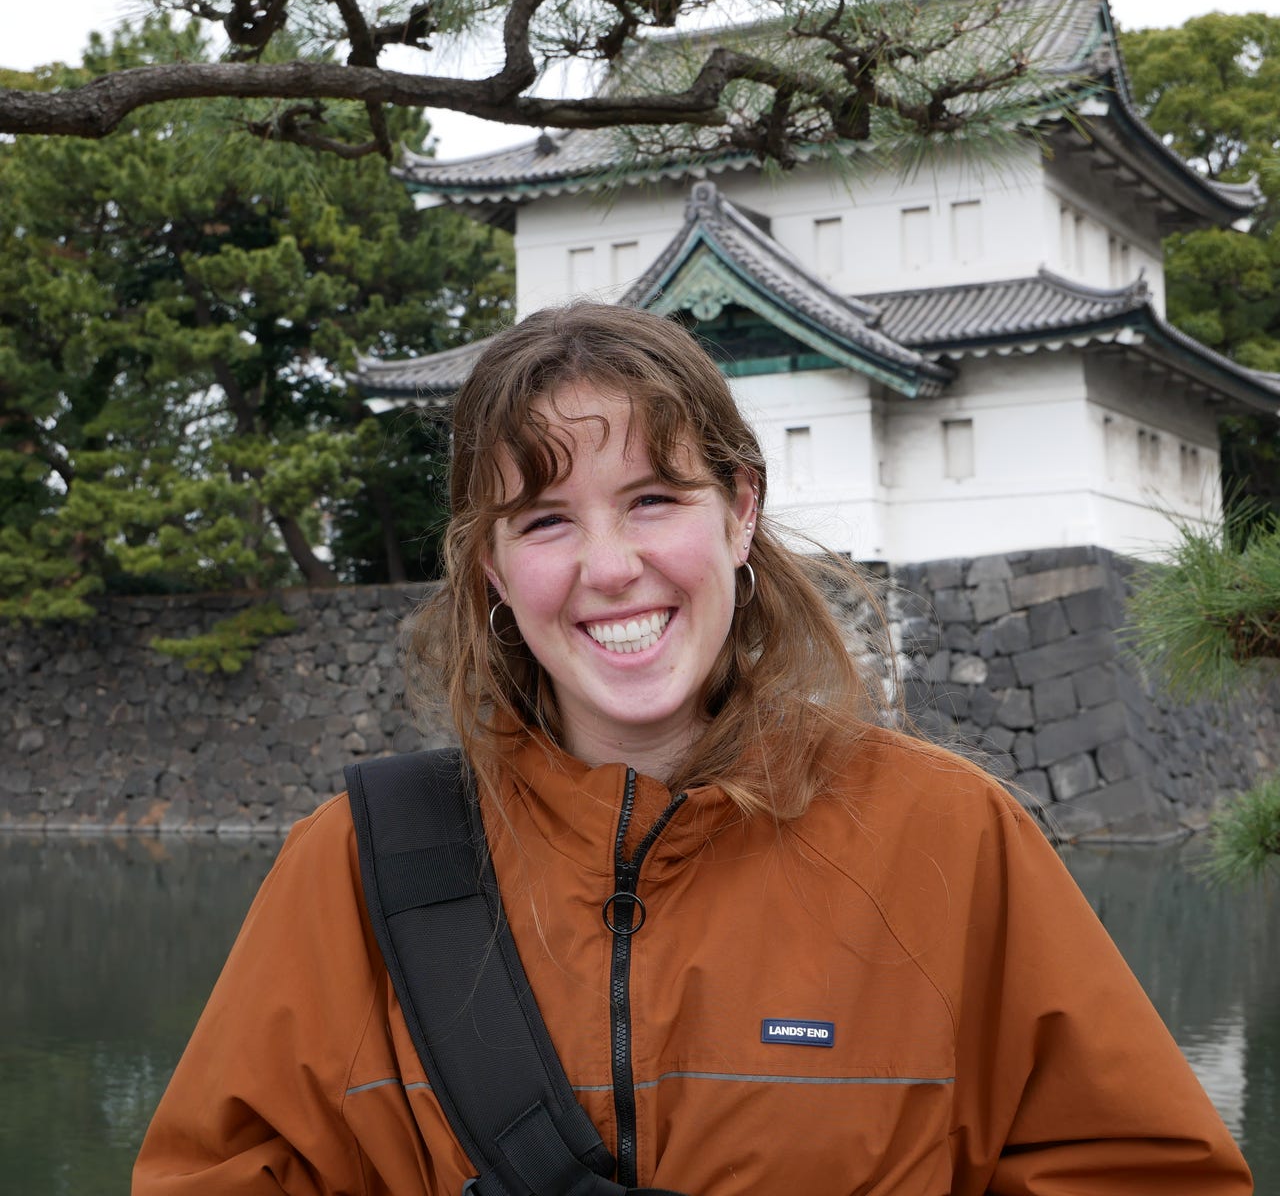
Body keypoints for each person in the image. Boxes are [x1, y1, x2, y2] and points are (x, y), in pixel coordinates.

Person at [134, 303, 1252, 1194]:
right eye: (545, 520)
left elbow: (1138, 1170)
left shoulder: (947, 838)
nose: (611, 566)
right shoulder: (354, 869)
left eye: (654, 498)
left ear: (739, 510)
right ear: (490, 568)